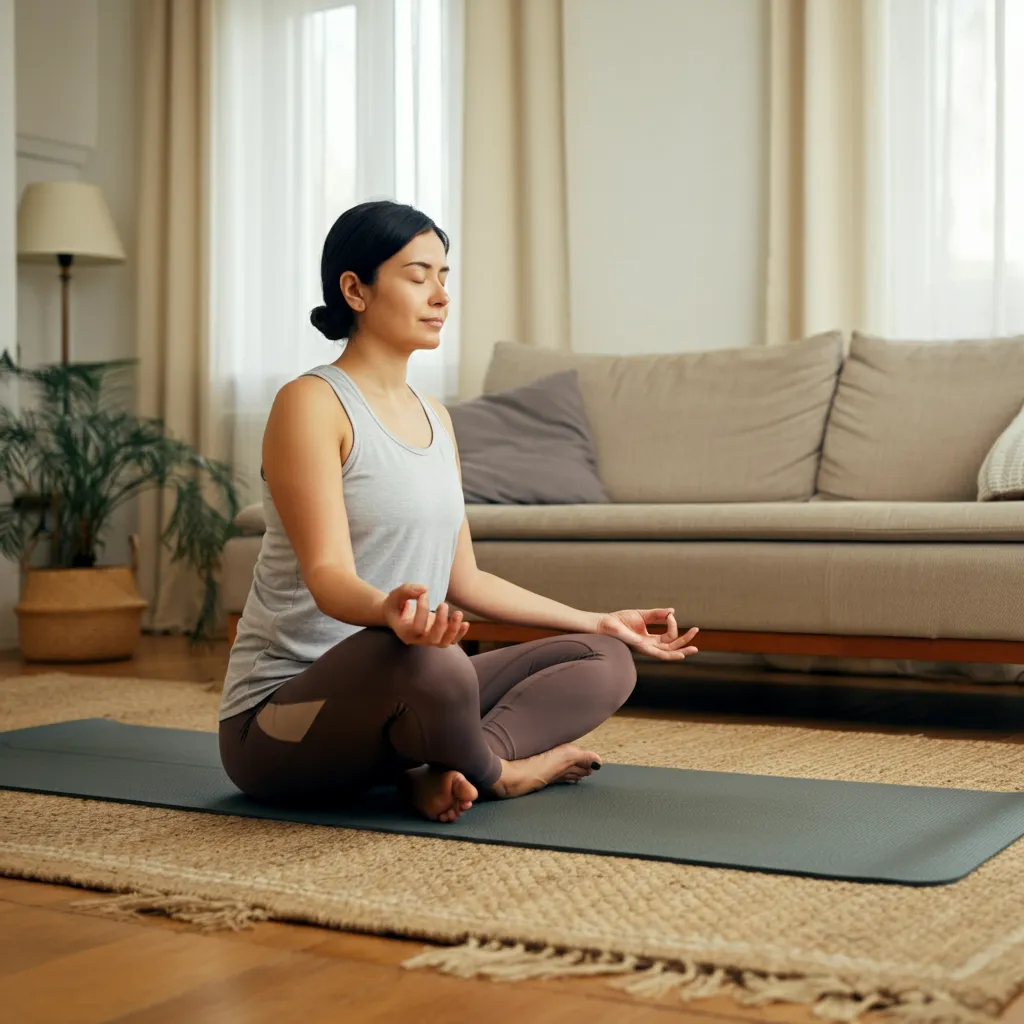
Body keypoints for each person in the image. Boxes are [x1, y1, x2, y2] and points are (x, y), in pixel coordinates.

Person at [218, 200, 700, 823]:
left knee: (602, 661)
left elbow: (465, 580)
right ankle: (497, 773)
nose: (440, 294)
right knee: (434, 662)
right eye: (419, 277)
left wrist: (599, 620)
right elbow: (329, 577)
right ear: (355, 290)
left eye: (445, 277)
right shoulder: (310, 404)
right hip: (278, 727)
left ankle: (444, 769)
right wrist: (388, 612)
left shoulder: (436, 418)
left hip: (404, 687)